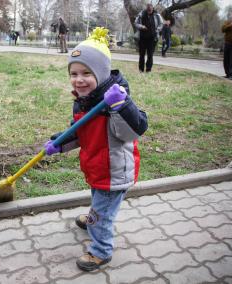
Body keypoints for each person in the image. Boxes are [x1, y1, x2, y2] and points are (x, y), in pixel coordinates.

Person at [43, 27, 148, 272]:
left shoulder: (115, 100)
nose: (78, 79)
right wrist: (58, 144)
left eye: (86, 73)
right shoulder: (84, 100)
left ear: (100, 73)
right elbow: (78, 132)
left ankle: (101, 251)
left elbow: (135, 130)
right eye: (74, 73)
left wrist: (121, 106)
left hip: (113, 173)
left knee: (103, 213)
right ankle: (94, 218)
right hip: (96, 166)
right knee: (98, 203)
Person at [134, 3, 163, 72]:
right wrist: (141, 26)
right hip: (142, 38)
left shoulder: (157, 15)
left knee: (150, 55)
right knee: (141, 55)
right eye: (148, 10)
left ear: (152, 8)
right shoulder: (141, 14)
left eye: (150, 10)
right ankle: (141, 70)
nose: (149, 11)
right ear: (146, 9)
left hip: (152, 38)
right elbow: (135, 23)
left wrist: (157, 29)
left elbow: (161, 24)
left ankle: (148, 70)